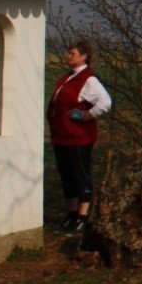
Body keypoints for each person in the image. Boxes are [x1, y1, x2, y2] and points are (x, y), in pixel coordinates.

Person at [47, 40, 111, 235]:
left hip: (79, 137)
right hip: (62, 136)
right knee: (67, 176)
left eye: (72, 53)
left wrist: (88, 115)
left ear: (83, 57)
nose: (69, 56)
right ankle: (71, 215)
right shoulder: (67, 78)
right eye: (69, 53)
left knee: (80, 175)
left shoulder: (87, 79)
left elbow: (105, 102)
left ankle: (83, 217)